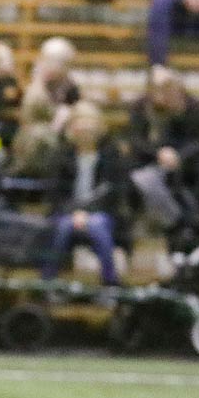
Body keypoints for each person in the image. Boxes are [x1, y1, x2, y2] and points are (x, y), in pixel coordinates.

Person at [41, 101, 127, 286]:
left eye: (91, 122)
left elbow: (112, 193)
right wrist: (75, 213)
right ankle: (47, 283)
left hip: (101, 214)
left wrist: (86, 214)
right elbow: (56, 194)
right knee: (62, 228)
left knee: (97, 227)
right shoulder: (61, 156)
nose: (86, 128)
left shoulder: (111, 155)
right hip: (66, 214)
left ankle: (110, 283)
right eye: (81, 122)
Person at [128, 65, 199, 209]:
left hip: (187, 163)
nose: (161, 92)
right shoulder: (141, 106)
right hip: (149, 160)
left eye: (166, 87)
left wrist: (177, 155)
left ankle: (184, 219)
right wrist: (158, 153)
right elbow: (136, 139)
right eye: (156, 87)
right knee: (142, 178)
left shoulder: (193, 107)